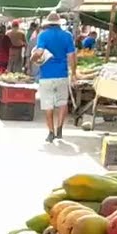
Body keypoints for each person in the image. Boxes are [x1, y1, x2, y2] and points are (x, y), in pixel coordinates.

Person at [33, 12, 76, 143]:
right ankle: (60, 129)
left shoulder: (43, 35)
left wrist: (33, 58)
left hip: (46, 75)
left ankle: (51, 132)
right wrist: (73, 72)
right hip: (62, 74)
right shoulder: (67, 36)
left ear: (47, 23)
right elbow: (71, 56)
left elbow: (39, 52)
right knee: (63, 103)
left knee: (48, 104)